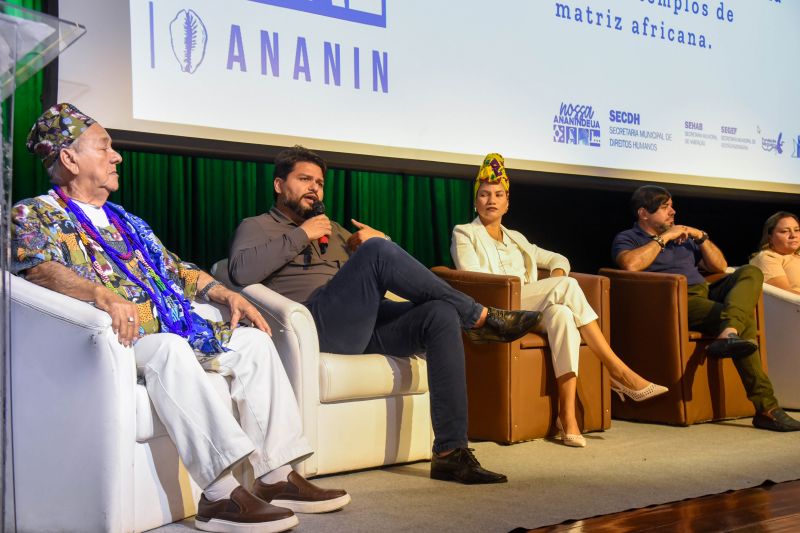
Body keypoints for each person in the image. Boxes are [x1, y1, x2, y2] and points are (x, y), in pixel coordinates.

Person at [11, 104, 351, 533]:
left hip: (173, 323)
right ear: (69, 158)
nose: (118, 157)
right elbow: (36, 268)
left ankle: (275, 477)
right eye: (105, 147)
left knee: (254, 342)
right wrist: (99, 293)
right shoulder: (33, 213)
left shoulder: (127, 220)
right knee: (170, 351)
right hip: (112, 337)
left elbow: (176, 269)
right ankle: (221, 495)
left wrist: (227, 294)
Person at [228, 145, 544, 484]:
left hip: (362, 323)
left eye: (319, 183)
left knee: (438, 314)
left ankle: (450, 453)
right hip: (316, 325)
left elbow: (383, 268)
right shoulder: (257, 226)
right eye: (304, 179)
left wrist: (382, 240)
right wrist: (301, 235)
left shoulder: (333, 229)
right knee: (378, 253)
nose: (314, 188)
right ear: (279, 185)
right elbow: (239, 272)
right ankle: (479, 317)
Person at [450, 154, 668, 448]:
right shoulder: (465, 233)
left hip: (526, 308)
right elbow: (473, 278)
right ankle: (617, 371)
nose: (492, 200)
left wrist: (552, 277)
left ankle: (567, 417)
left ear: (507, 202)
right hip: (495, 308)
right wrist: (549, 286)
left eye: (498, 195)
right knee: (566, 287)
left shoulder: (517, 238)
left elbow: (557, 258)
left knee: (563, 315)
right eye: (485, 194)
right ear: (475, 201)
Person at [612, 185, 800, 432]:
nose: (673, 212)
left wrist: (700, 236)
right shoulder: (629, 238)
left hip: (705, 290)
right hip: (674, 302)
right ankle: (767, 407)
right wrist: (664, 238)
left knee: (750, 272)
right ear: (644, 213)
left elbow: (719, 266)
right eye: (665, 207)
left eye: (672, 206)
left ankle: (729, 329)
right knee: (747, 324)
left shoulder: (684, 238)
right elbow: (629, 265)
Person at [750, 211, 800, 294]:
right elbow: (785, 294)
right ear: (770, 237)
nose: (793, 235)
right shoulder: (767, 257)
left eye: (797, 230)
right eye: (784, 231)